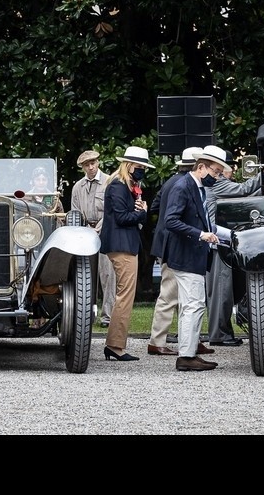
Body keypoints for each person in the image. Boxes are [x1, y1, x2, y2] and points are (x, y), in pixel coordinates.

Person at [159, 145, 227, 371]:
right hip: (186, 256)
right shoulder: (183, 187)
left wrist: (223, 234)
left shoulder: (194, 186)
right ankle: (187, 356)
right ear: (201, 167)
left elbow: (203, 222)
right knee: (194, 306)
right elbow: (171, 221)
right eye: (216, 172)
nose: (217, 177)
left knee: (192, 306)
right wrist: (202, 234)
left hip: (190, 255)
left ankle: (188, 353)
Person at [202, 154, 264, 346]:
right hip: (217, 242)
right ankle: (220, 334)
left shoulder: (210, 182)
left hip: (212, 241)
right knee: (221, 289)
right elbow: (243, 190)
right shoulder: (218, 182)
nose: (231, 170)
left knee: (218, 290)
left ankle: (221, 332)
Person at [145, 146, 202, 355]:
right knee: (169, 294)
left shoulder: (170, 182)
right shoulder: (183, 184)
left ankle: (188, 339)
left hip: (165, 241)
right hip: (173, 244)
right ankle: (157, 341)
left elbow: (154, 207)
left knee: (177, 294)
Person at [99, 145, 151, 362]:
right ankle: (115, 345)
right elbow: (122, 218)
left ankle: (115, 344)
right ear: (128, 165)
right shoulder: (118, 187)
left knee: (124, 295)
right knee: (125, 296)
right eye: (139, 166)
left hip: (124, 244)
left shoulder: (124, 186)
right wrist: (141, 213)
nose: (142, 171)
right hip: (121, 245)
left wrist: (139, 212)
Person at [69, 149, 113, 327]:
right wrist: (86, 229)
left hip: (106, 231)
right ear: (83, 167)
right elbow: (75, 212)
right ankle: (88, 315)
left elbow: (112, 209)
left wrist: (98, 229)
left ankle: (107, 316)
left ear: (98, 163)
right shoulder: (78, 186)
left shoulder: (109, 182)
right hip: (85, 234)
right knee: (86, 275)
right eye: (87, 165)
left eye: (93, 163)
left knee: (108, 274)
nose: (91, 167)